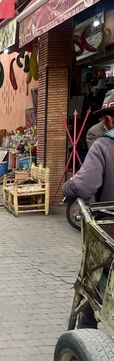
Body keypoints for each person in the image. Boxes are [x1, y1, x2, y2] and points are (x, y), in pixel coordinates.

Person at [63, 99, 114, 328]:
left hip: (110, 229)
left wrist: (68, 187)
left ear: (109, 119)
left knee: (94, 282)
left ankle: (87, 332)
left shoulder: (104, 145)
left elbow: (85, 186)